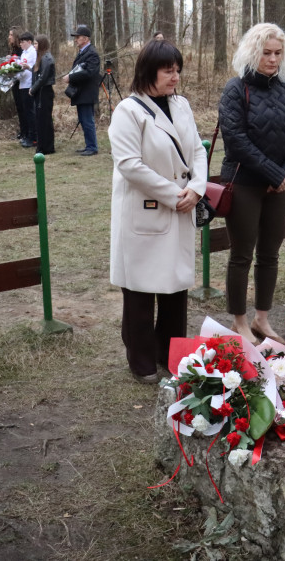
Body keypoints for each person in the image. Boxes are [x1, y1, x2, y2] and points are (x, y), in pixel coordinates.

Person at [108, 40, 207, 383]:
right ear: (149, 71)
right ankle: (142, 360)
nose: (175, 77)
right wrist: (174, 194)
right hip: (146, 210)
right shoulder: (128, 111)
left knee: (175, 286)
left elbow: (197, 151)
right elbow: (129, 165)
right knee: (139, 288)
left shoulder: (181, 105)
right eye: (168, 70)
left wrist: (197, 188)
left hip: (182, 205)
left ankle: (171, 354)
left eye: (177, 70)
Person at [219, 23, 285, 343]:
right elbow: (236, 140)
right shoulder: (235, 89)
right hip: (244, 184)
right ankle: (239, 321)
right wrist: (273, 174)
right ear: (252, 53)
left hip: (280, 187)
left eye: (277, 53)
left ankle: (261, 319)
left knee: (270, 255)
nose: (272, 59)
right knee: (241, 254)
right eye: (265, 53)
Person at [63, 25, 102, 156]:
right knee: (83, 119)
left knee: (87, 120)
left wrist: (71, 77)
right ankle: (89, 145)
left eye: (78, 37)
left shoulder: (92, 54)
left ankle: (92, 147)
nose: (76, 40)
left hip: (87, 92)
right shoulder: (84, 52)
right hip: (81, 92)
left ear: (85, 39)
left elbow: (89, 73)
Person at [29, 34, 56, 155]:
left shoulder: (47, 58)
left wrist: (33, 89)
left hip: (44, 93)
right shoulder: (40, 58)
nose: (34, 46)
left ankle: (46, 147)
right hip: (40, 92)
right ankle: (44, 146)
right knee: (40, 120)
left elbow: (43, 78)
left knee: (44, 120)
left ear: (41, 44)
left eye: (35, 43)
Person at [15, 31, 38, 148]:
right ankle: (29, 135)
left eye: (23, 42)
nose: (21, 44)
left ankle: (33, 137)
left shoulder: (32, 52)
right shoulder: (24, 52)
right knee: (26, 111)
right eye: (20, 42)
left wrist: (19, 70)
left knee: (30, 112)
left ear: (29, 42)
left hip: (29, 84)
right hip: (22, 84)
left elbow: (29, 68)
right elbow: (21, 66)